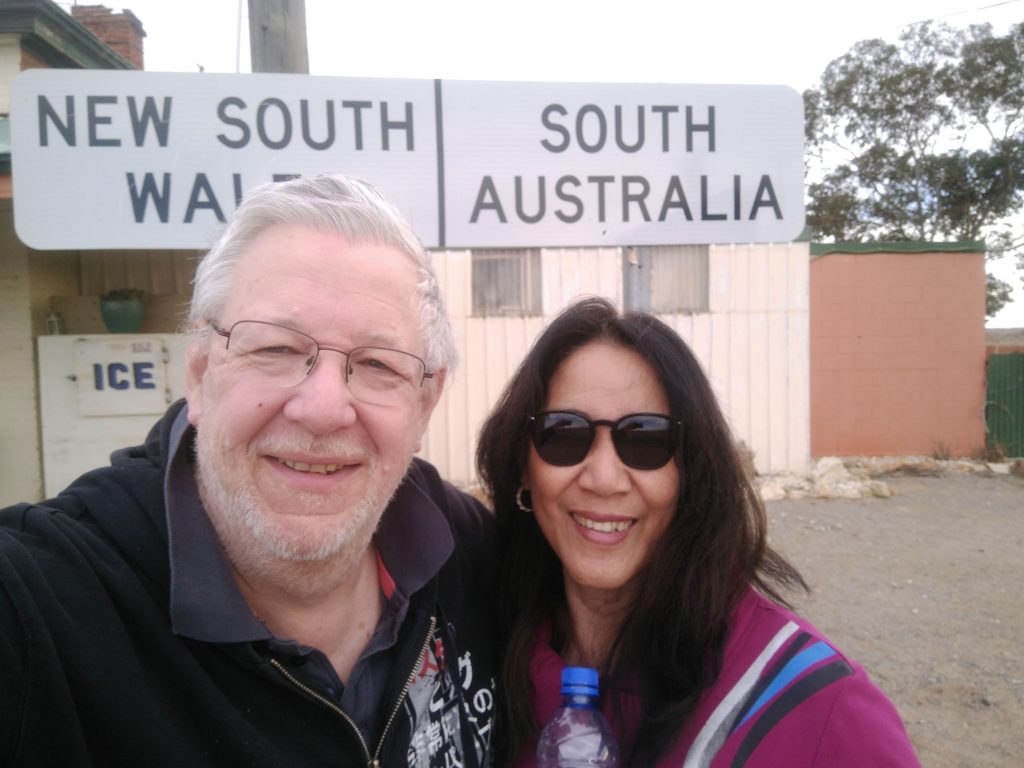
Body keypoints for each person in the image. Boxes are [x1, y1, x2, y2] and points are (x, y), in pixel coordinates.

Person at [0, 175, 495, 767]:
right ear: (201, 372)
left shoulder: (474, 556)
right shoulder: (41, 608)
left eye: (377, 363)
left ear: (425, 403)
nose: (322, 409)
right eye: (275, 349)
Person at [476, 297, 920, 767]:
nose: (603, 478)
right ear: (523, 467)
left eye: (646, 438)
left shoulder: (821, 708)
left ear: (691, 472)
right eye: (563, 433)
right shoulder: (478, 665)